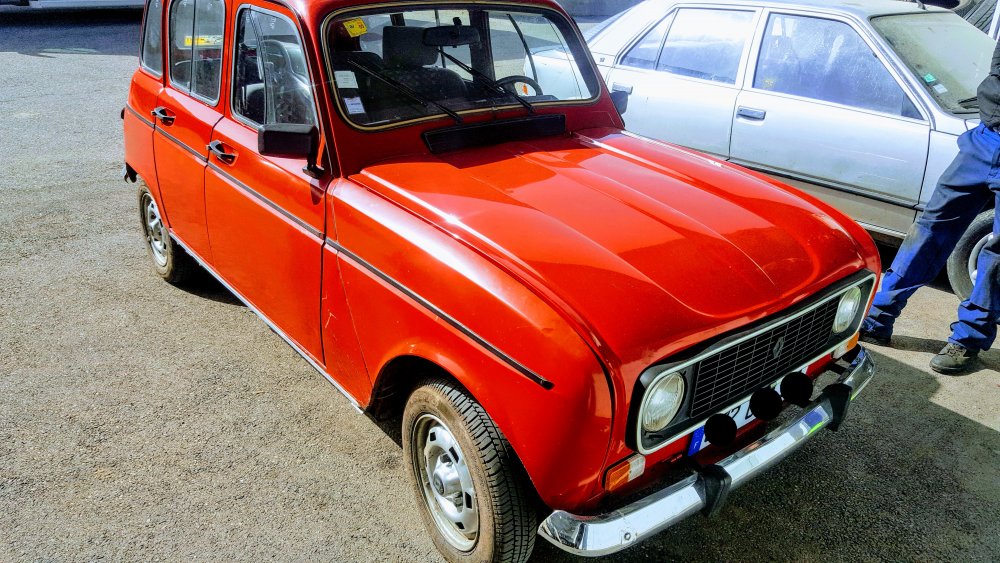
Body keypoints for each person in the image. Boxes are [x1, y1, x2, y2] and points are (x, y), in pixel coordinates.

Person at [859, 42, 1000, 375]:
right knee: (930, 229)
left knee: (998, 252)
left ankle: (968, 340)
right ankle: (878, 318)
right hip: (985, 139)